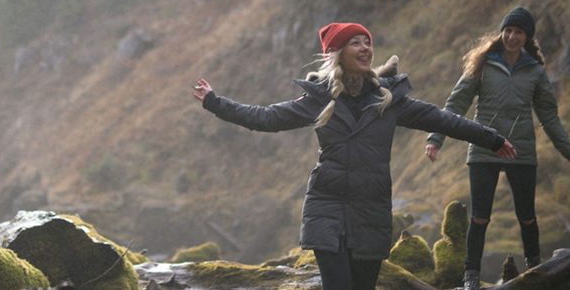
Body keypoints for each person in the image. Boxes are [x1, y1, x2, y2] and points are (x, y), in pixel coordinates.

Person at [193, 22, 518, 290]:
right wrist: (214, 102)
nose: (366, 48)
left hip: (371, 213)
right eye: (355, 43)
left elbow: (444, 119)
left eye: (367, 42)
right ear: (338, 53)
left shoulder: (389, 100)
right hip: (327, 210)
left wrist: (492, 139)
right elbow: (264, 118)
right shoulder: (317, 99)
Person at [424, 7, 570, 290]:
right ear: (502, 32)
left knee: (527, 217)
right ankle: (471, 277)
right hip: (484, 148)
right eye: (508, 30)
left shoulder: (535, 71)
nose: (512, 37)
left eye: (519, 32)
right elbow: (455, 105)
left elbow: (549, 116)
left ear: (527, 37)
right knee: (480, 217)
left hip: (521, 151)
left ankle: (536, 269)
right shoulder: (483, 64)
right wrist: (435, 138)